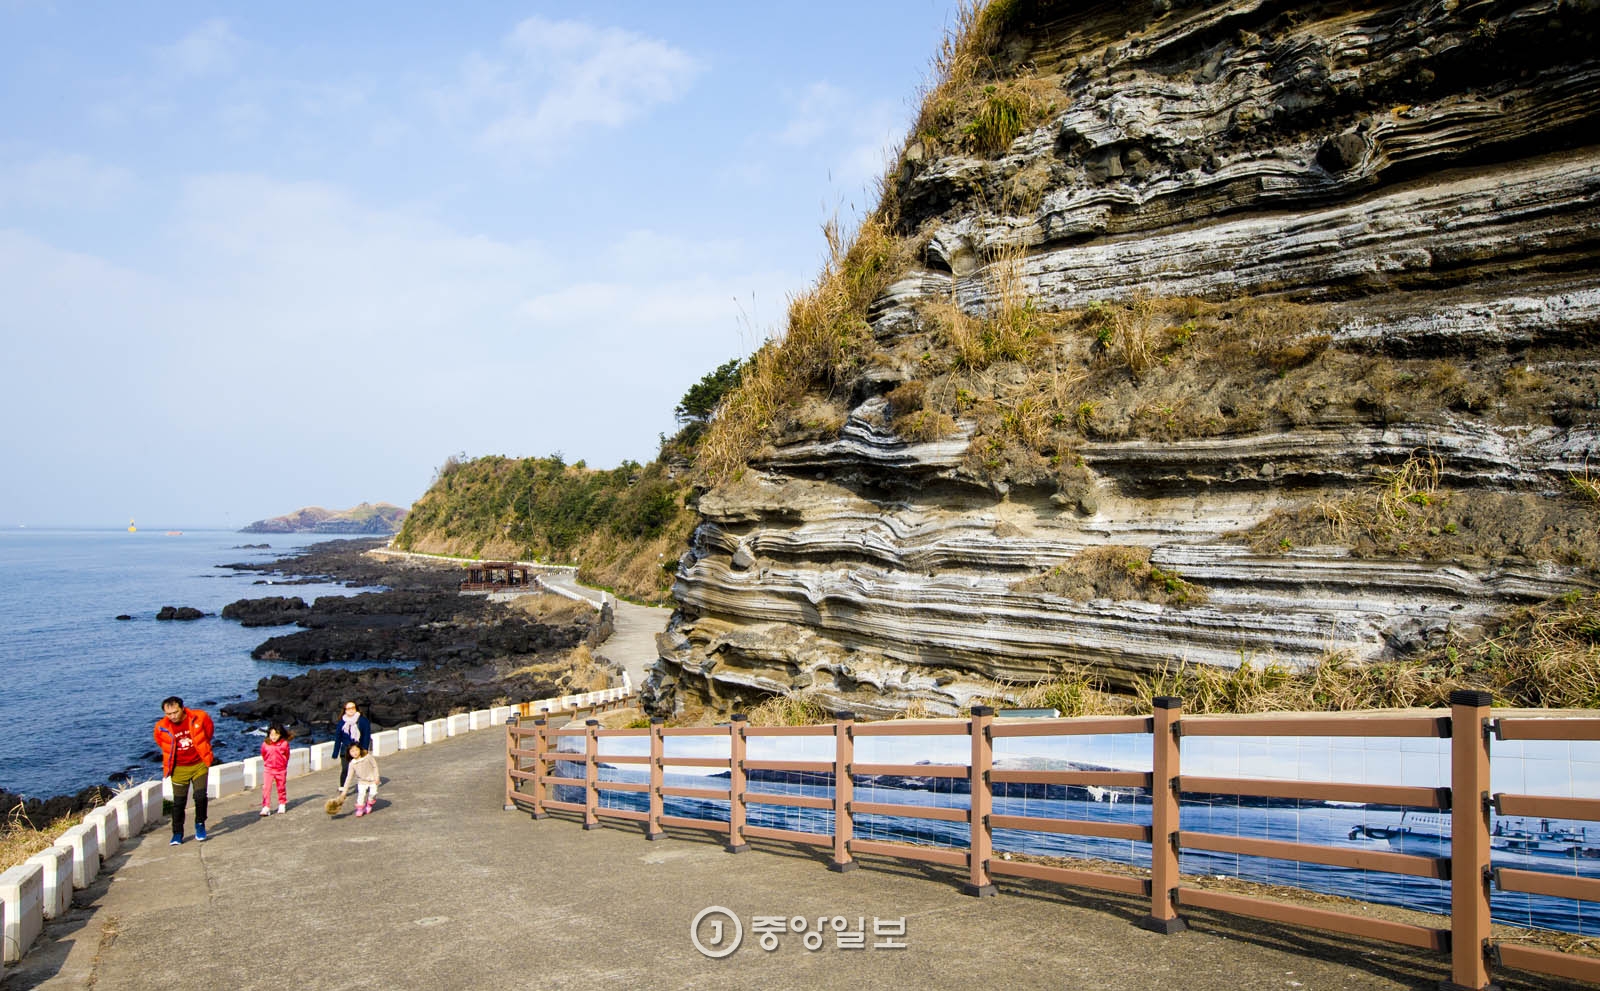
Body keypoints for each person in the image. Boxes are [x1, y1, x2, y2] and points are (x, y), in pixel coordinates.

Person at [153, 696, 214, 845]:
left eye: (175, 712)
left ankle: (200, 824)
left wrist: (202, 749)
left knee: (200, 796)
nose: (172, 716)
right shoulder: (161, 727)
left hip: (199, 764)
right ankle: (177, 833)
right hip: (178, 768)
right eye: (169, 714)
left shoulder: (199, 717)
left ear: (182, 708)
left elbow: (209, 732)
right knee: (179, 802)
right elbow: (161, 742)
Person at [332, 700, 372, 789]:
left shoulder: (362, 720)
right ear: (345, 710)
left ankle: (365, 784)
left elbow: (366, 735)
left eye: (353, 708)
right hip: (345, 749)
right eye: (348, 708)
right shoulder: (342, 722)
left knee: (361, 768)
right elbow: (338, 738)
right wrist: (335, 752)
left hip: (359, 748)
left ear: (356, 709)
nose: (351, 710)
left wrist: (364, 749)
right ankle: (343, 787)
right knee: (345, 769)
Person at [335, 744, 380, 817]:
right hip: (362, 781)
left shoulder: (367, 757)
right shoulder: (352, 763)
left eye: (356, 750)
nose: (355, 753)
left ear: (360, 750)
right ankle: (360, 809)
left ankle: (369, 804)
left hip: (372, 780)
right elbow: (349, 777)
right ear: (349, 753)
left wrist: (377, 777)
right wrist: (344, 792)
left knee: (373, 793)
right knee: (361, 795)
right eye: (352, 751)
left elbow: (375, 766)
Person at [259, 722, 291, 816]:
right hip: (268, 769)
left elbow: (287, 755)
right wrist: (267, 763)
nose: (273, 737)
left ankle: (282, 803)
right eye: (271, 734)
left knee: (281, 787)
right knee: (266, 788)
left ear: (280, 734)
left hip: (281, 769)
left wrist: (283, 764)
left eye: (276, 734)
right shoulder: (265, 744)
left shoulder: (284, 744)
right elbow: (263, 754)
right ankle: (266, 807)